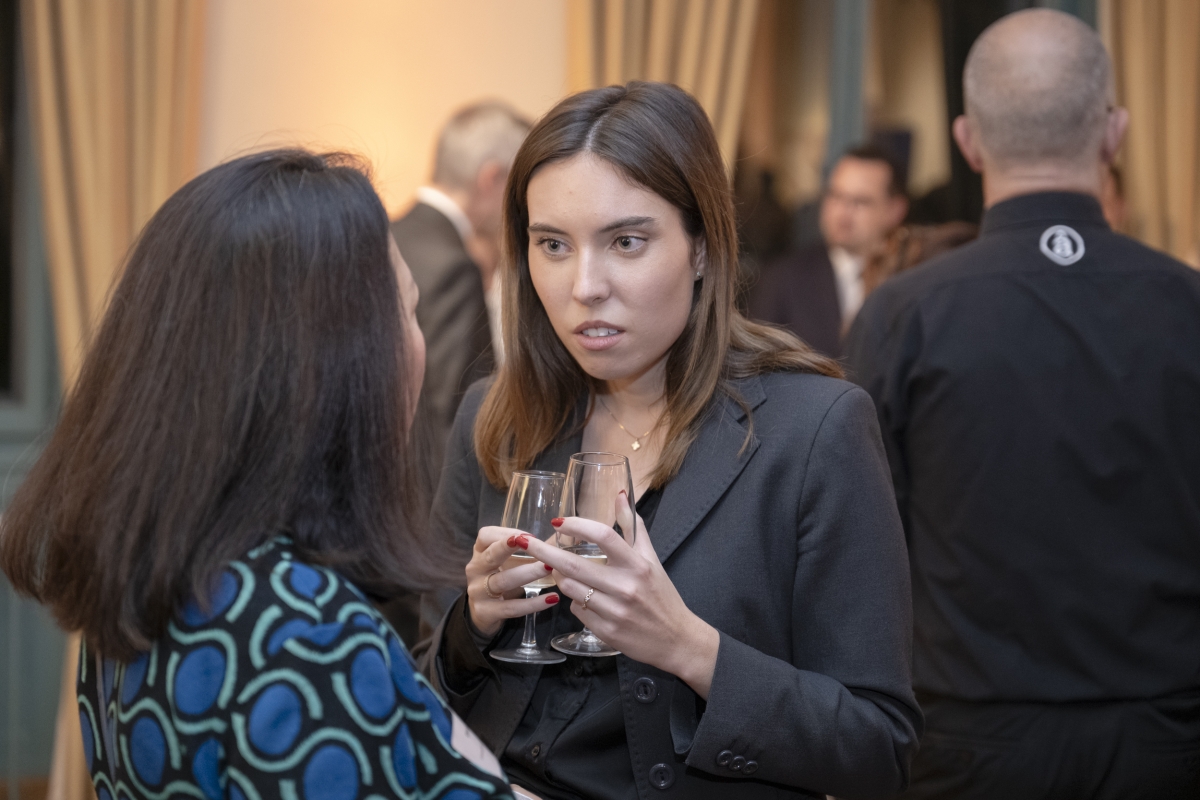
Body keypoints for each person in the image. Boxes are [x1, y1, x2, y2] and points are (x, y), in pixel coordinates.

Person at [423, 81, 921, 799]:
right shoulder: (495, 416)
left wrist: (690, 648)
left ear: (702, 248)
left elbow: (877, 748)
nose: (584, 286)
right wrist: (469, 628)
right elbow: (418, 681)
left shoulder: (814, 430)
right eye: (553, 245)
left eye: (626, 242)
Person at [0, 150, 514, 800]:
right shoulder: (307, 635)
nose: (419, 347)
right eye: (408, 313)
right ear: (336, 369)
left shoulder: (146, 576)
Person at [846, 10, 1200, 799]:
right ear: (1115, 133)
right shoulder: (1188, 305)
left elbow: (861, 546)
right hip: (1169, 741)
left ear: (967, 141)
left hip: (964, 744)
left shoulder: (904, 315)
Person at [392, 101, 531, 464]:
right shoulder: (453, 267)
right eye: (519, 185)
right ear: (491, 178)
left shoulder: (386, 236)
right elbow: (458, 413)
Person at [749, 144, 908, 357]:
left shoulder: (909, 277)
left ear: (895, 210)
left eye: (860, 202)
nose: (843, 213)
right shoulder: (781, 278)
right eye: (835, 196)